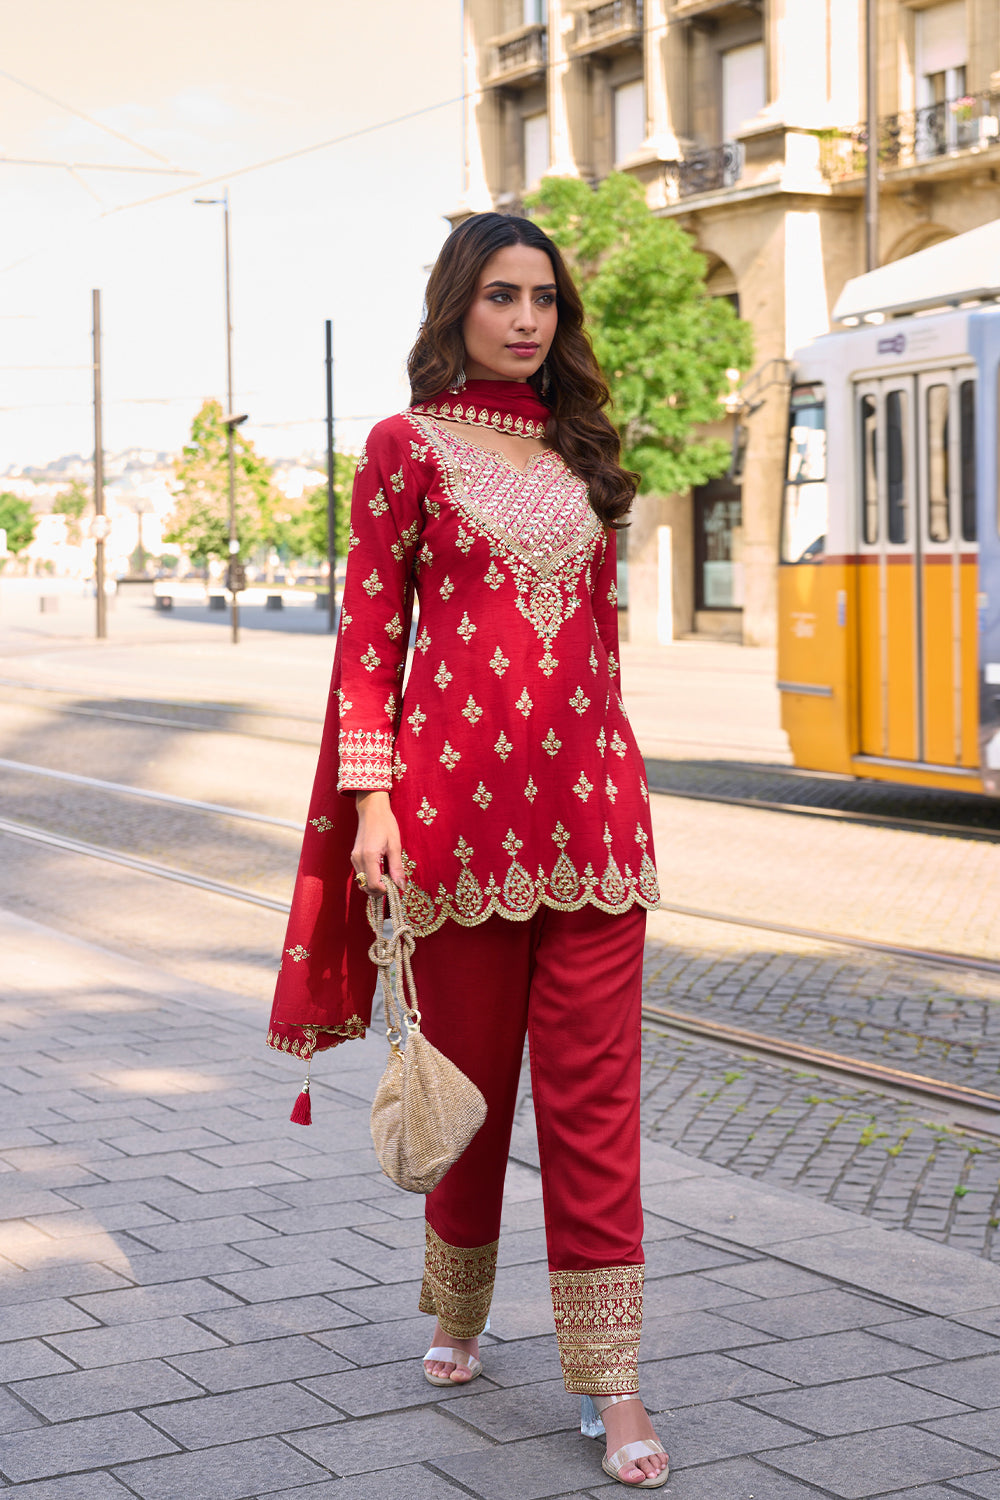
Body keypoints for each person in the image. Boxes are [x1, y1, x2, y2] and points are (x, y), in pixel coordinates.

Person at [267, 212, 667, 1488]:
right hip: (455, 826)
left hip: (593, 816)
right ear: (458, 306)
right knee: (476, 1085)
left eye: (544, 297)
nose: (527, 318)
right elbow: (368, 633)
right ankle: (457, 1306)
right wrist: (373, 803)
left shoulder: (580, 453)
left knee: (595, 1102)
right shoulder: (404, 448)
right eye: (500, 295)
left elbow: (595, 652)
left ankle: (612, 1384)